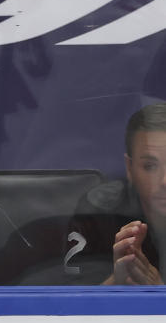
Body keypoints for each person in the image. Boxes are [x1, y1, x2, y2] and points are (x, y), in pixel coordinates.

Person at [67, 103, 165, 285]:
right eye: (150, 166)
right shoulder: (98, 212)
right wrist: (118, 283)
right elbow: (74, 304)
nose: (164, 181)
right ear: (129, 168)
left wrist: (159, 293)